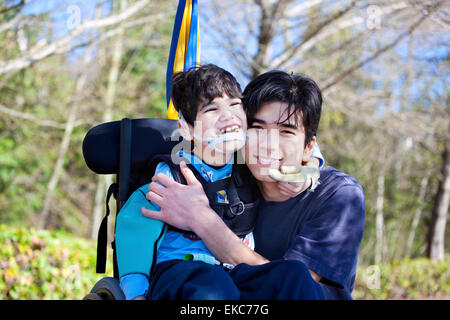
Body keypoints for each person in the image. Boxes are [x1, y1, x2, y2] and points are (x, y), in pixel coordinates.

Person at [143, 70, 366, 300]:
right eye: (257, 129)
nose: (267, 145)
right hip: (218, 290)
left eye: (286, 132)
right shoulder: (230, 175)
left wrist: (200, 217)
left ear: (308, 146)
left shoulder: (339, 195)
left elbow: (293, 287)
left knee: (293, 275)